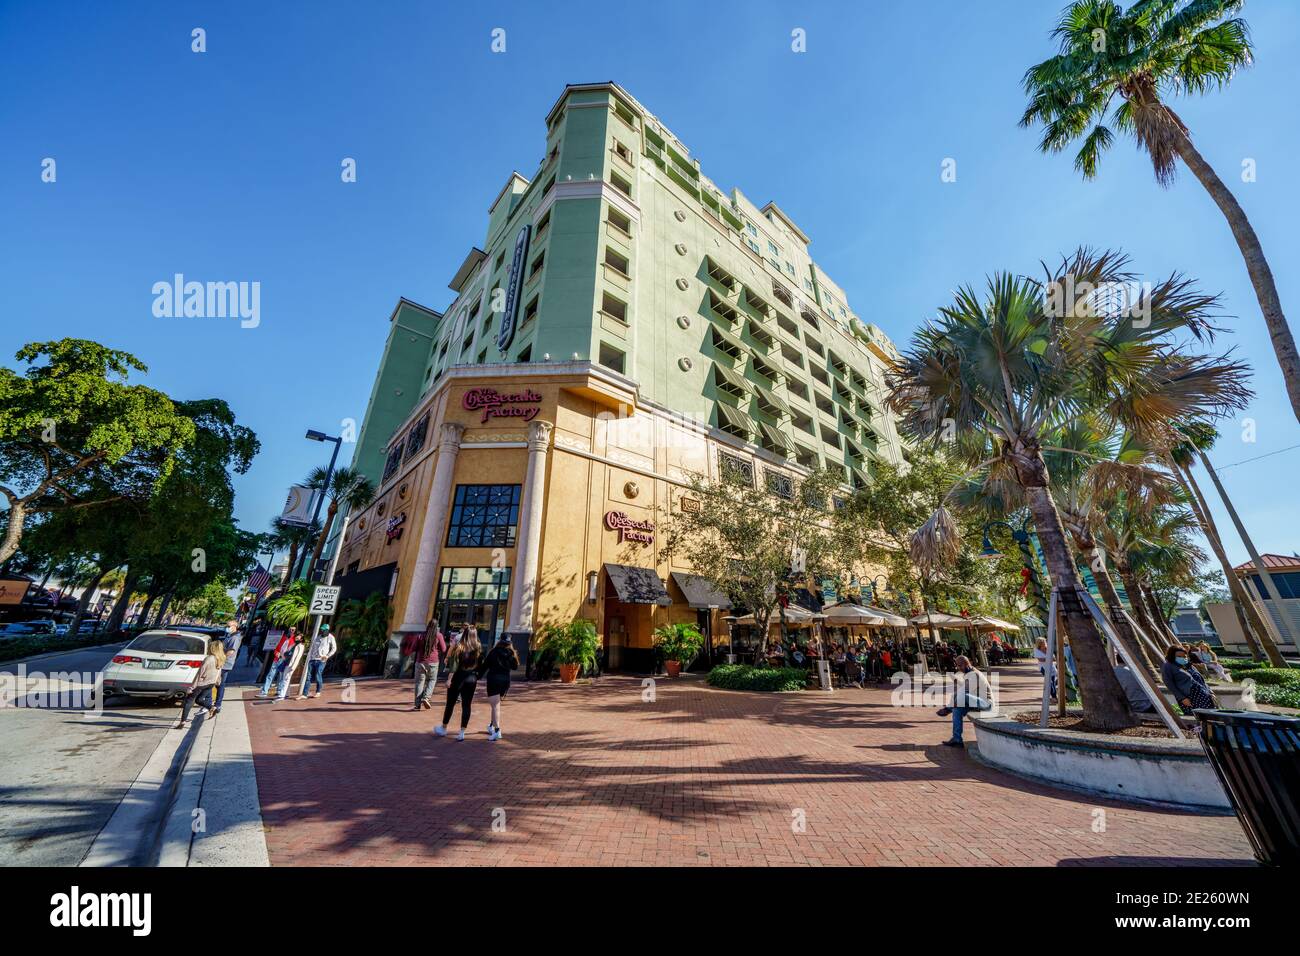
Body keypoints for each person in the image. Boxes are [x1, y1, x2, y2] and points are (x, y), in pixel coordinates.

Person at [434, 627, 482, 740]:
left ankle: (444, 728)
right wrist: (476, 676)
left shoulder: (459, 648)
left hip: (458, 678)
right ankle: (462, 732)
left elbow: (454, 666)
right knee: (466, 705)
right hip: (471, 679)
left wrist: (449, 679)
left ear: (464, 634)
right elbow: (481, 665)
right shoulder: (478, 648)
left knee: (450, 703)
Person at [936, 655, 992, 746]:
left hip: (986, 703)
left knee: (961, 696)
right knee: (957, 709)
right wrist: (955, 680)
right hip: (975, 703)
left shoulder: (975, 674)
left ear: (967, 664)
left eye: (960, 665)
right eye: (957, 666)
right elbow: (964, 688)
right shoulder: (969, 674)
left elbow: (964, 692)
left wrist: (948, 706)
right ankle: (957, 739)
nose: (959, 668)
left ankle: (947, 709)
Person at [478, 632, 519, 740]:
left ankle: (497, 731)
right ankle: (492, 726)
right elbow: (515, 667)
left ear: (500, 640)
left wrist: (477, 676)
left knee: (495, 706)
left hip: (494, 680)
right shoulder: (511, 653)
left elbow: (485, 666)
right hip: (505, 682)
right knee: (495, 704)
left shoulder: (494, 652)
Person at [178, 638, 226, 728]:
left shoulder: (209, 659)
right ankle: (212, 707)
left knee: (188, 701)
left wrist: (191, 687)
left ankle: (182, 722)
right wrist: (217, 682)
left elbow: (200, 674)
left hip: (202, 683)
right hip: (211, 683)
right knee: (199, 700)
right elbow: (219, 673)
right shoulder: (220, 658)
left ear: (212, 648)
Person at [1161, 644, 1216, 715]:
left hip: (1205, 696)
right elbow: (1169, 684)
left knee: (1211, 717)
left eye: (1184, 656)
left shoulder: (1189, 665)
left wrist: (1210, 692)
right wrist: (1182, 698)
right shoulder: (1168, 666)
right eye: (1179, 656)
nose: (1182, 658)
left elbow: (1201, 680)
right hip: (1190, 698)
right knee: (1199, 717)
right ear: (1172, 656)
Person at [258, 627, 302, 700]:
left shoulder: (294, 641)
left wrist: (284, 656)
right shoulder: (284, 637)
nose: (291, 631)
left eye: (293, 630)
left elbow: (291, 652)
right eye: (290, 629)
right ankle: (264, 692)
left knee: (281, 677)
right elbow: (277, 647)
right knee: (270, 675)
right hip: (277, 659)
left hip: (284, 660)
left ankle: (279, 691)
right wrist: (276, 653)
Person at [413, 623, 447, 711]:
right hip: (433, 662)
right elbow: (444, 649)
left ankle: (417, 704)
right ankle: (426, 698)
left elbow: (414, 647)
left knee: (419, 683)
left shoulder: (421, 635)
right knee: (432, 680)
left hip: (420, 661)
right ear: (437, 627)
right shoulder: (439, 635)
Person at [212, 620, 243, 715]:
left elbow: (231, 652)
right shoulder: (230, 636)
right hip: (223, 662)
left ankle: (217, 704)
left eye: (229, 625)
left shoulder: (235, 638)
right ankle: (216, 703)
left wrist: (221, 659)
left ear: (235, 626)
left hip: (225, 664)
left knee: (220, 684)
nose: (227, 627)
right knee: (218, 684)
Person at [299, 624, 337, 699]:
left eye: (323, 630)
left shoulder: (330, 637)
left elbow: (334, 648)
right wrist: (309, 657)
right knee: (308, 677)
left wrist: (327, 656)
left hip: (321, 660)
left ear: (327, 630)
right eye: (321, 629)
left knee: (317, 675)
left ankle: (318, 692)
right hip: (313, 659)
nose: (321, 631)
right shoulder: (318, 637)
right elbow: (313, 647)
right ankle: (304, 694)